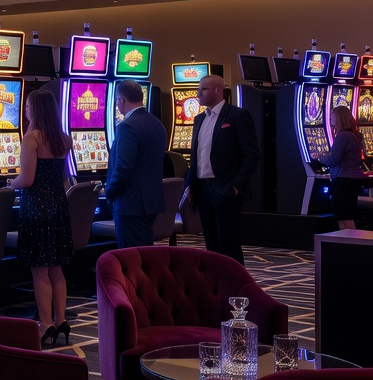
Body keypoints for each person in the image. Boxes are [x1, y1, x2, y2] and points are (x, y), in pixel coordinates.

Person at [9, 89, 74, 346]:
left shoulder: (31, 138)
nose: (25, 111)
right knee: (56, 269)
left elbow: (27, 179)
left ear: (35, 110)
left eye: (27, 107)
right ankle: (61, 321)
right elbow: (63, 179)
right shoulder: (64, 139)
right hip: (58, 206)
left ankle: (45, 324)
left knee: (40, 272)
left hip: (36, 208)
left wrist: (8, 184)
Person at [184, 74, 260, 264]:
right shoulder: (200, 119)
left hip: (225, 188)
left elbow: (252, 154)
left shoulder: (237, 116)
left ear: (218, 91)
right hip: (203, 189)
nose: (198, 93)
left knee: (228, 243)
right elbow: (197, 157)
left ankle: (236, 288)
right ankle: (217, 289)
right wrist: (190, 186)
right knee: (211, 244)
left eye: (203, 89)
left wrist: (236, 186)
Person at [104, 79, 167, 249]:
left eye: (117, 100)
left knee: (131, 256)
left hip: (130, 202)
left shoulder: (128, 126)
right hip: (150, 201)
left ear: (121, 100)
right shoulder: (157, 124)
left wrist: (109, 191)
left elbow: (124, 167)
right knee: (145, 253)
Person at [322, 105, 364, 230]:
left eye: (333, 117)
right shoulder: (353, 135)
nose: (331, 120)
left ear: (339, 118)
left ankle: (348, 243)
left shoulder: (343, 136)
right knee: (348, 214)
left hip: (343, 179)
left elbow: (333, 160)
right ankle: (350, 243)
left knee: (343, 215)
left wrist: (319, 157)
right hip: (353, 178)